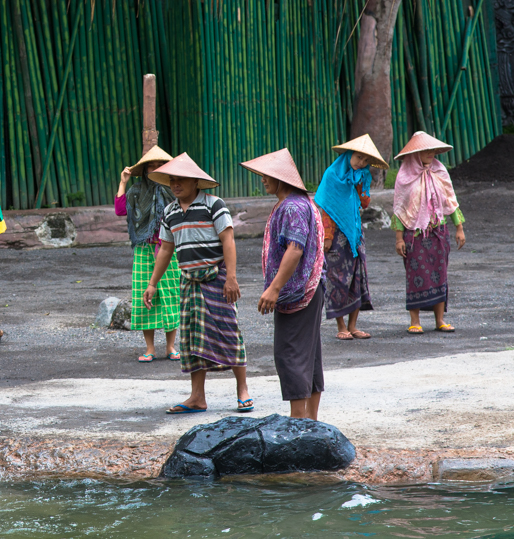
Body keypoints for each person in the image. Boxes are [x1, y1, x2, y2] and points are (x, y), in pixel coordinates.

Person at [144, 152, 251, 415]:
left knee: (229, 332)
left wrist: (232, 278)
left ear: (196, 182)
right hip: (189, 282)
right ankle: (197, 397)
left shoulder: (214, 205)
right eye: (172, 180)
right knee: (191, 340)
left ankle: (243, 391)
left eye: (181, 180)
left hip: (217, 279)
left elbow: (228, 241)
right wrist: (152, 283)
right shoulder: (169, 212)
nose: (175, 184)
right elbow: (166, 250)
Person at [242, 148, 326, 421]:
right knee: (308, 353)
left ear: (282, 179)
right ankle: (310, 421)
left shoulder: (292, 206)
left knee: (290, 353)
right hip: (307, 288)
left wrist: (275, 287)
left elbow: (295, 249)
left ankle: (299, 421)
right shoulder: (299, 203)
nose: (263, 179)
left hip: (298, 290)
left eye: (268, 175)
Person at [314, 134, 388, 340]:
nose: (361, 162)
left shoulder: (361, 176)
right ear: (348, 155)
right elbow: (326, 209)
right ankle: (341, 327)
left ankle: (353, 326)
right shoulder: (332, 176)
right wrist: (327, 237)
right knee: (337, 278)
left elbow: (364, 203)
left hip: (355, 234)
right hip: (336, 235)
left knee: (357, 276)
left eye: (365, 160)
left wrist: (362, 185)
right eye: (358, 158)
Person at [392, 131, 465, 334]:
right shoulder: (404, 177)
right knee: (414, 275)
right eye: (426, 150)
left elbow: (450, 201)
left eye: (433, 150)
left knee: (440, 275)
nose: (431, 153)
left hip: (438, 233)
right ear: (416, 153)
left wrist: (459, 228)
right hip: (413, 235)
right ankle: (415, 321)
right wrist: (398, 238)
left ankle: (440, 320)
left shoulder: (440, 172)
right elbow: (399, 208)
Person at [115, 145, 181, 362]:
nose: (154, 169)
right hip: (144, 249)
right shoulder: (135, 190)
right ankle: (150, 348)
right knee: (144, 297)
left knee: (171, 295)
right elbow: (120, 210)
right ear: (143, 170)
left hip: (170, 248)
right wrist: (124, 181)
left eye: (159, 165)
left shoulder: (174, 190)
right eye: (150, 166)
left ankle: (171, 347)